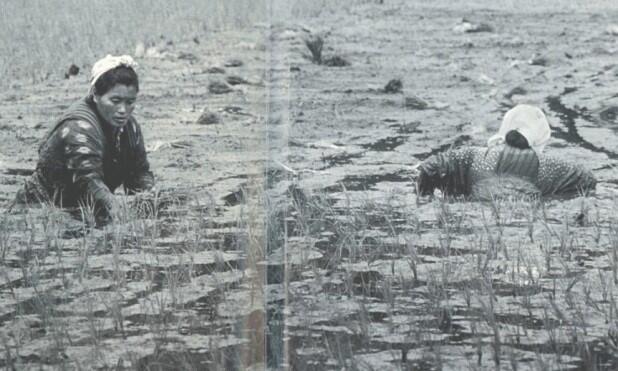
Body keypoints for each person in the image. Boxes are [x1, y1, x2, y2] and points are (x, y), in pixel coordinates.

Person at [13, 55, 154, 224]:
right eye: (115, 101)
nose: (123, 110)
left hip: (87, 213)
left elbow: (139, 173)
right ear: (95, 95)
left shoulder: (129, 128)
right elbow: (88, 182)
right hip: (38, 213)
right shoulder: (78, 127)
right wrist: (120, 215)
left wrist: (149, 200)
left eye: (130, 102)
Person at [416, 104, 596, 200]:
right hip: (526, 221)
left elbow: (429, 167)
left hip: (478, 212)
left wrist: (425, 200)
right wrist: (552, 199)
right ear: (541, 138)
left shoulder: (473, 155)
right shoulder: (552, 166)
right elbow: (589, 181)